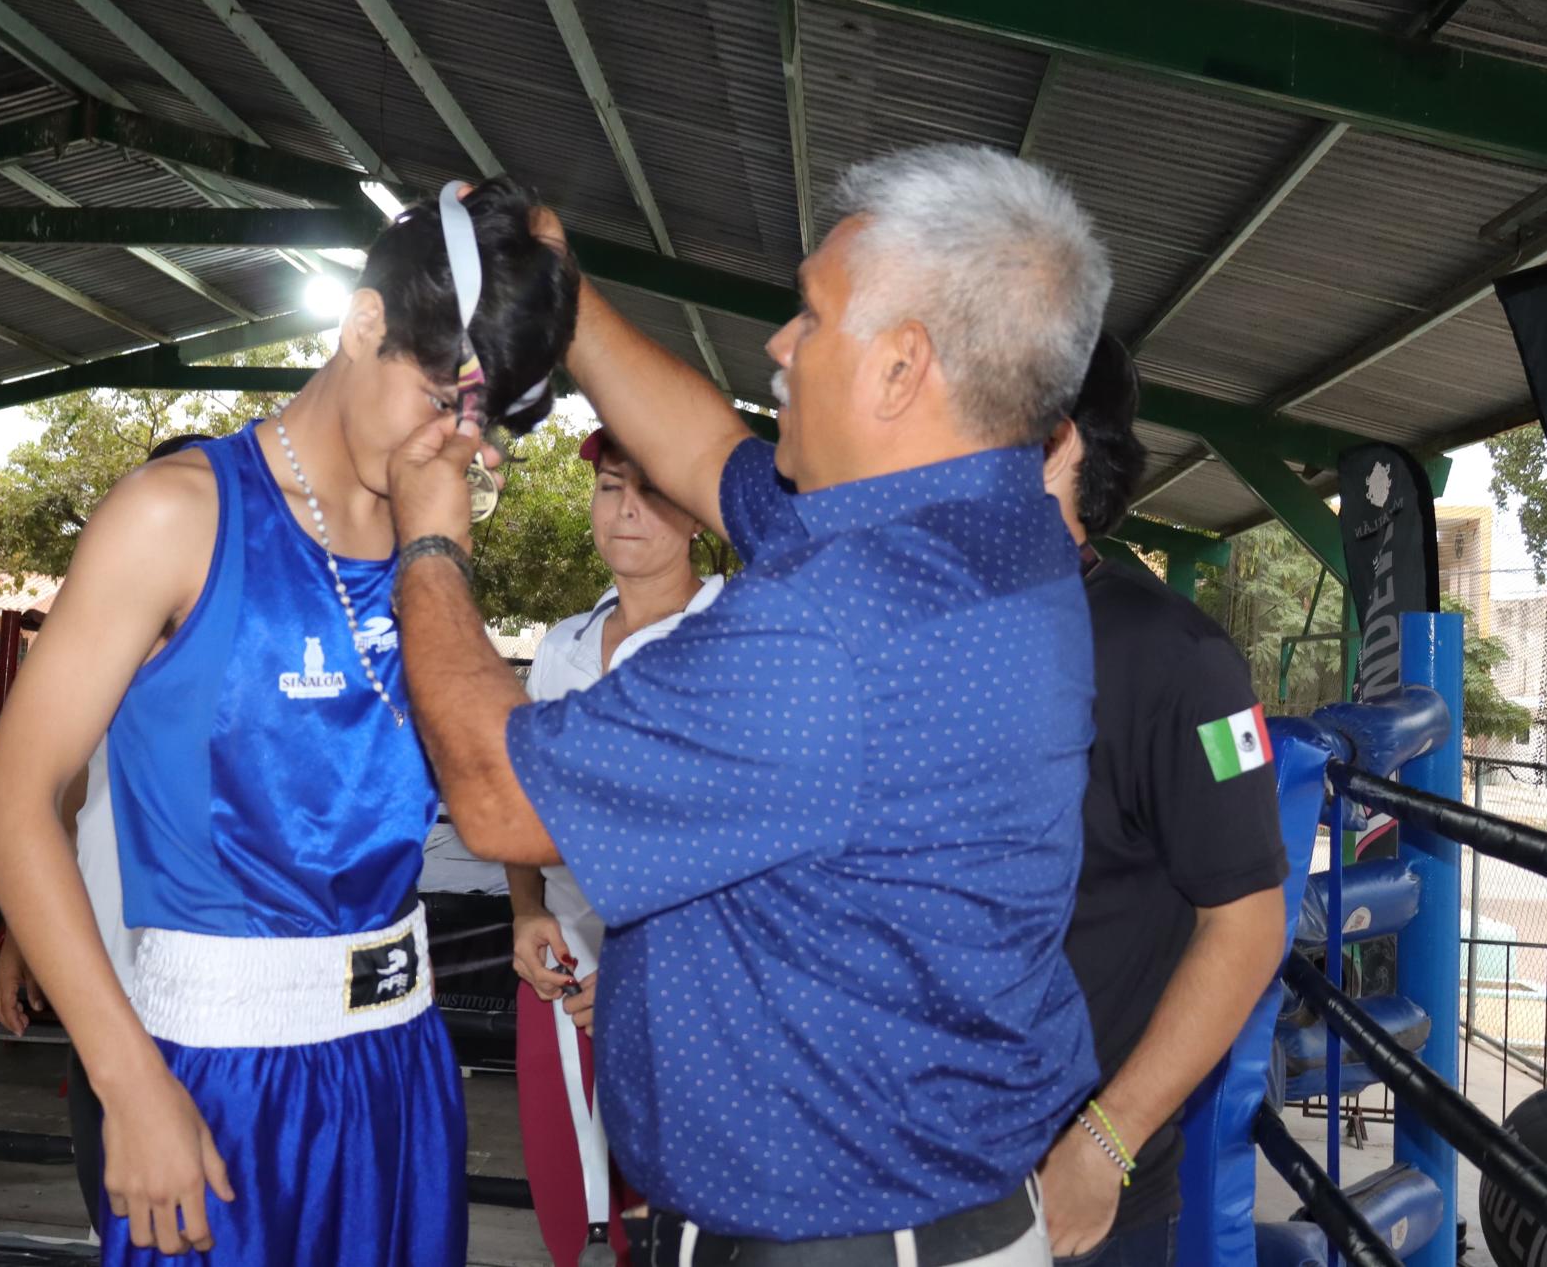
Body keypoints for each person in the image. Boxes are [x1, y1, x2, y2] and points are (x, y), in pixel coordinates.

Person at [389, 144, 1110, 1265]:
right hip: (927, 1209)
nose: (777, 345)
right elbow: (707, 449)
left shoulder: (838, 625)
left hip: (835, 1237)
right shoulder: (986, 532)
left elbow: (494, 793)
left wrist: (429, 540)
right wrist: (561, 295)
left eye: (810, 318)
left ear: (898, 369)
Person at [0, 178, 576, 1265]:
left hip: (398, 1060)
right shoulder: (176, 513)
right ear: (362, 324)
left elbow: (495, 785)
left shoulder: (427, 539)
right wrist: (128, 1081)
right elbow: (11, 798)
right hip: (217, 1075)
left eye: (483, 430)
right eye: (443, 401)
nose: (456, 447)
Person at [1034, 336, 1289, 1265]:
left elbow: (1250, 924)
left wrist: (1103, 1148)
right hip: (911, 1181)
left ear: (1056, 443)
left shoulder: (1180, 663)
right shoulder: (930, 635)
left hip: (1080, 1205)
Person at [508, 427, 723, 1267]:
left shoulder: (733, 642)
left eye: (653, 488)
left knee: (685, 1233)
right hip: (559, 979)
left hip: (689, 1001)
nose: (627, 507)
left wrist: (643, 977)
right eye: (608, 487)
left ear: (700, 516)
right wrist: (526, 912)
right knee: (577, 1227)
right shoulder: (560, 645)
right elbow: (514, 804)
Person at [0, 433, 212, 1239]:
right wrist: (23, 932)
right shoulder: (98, 643)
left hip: (213, 1000)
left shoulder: (249, 657)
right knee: (114, 1216)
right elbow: (50, 795)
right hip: (103, 983)